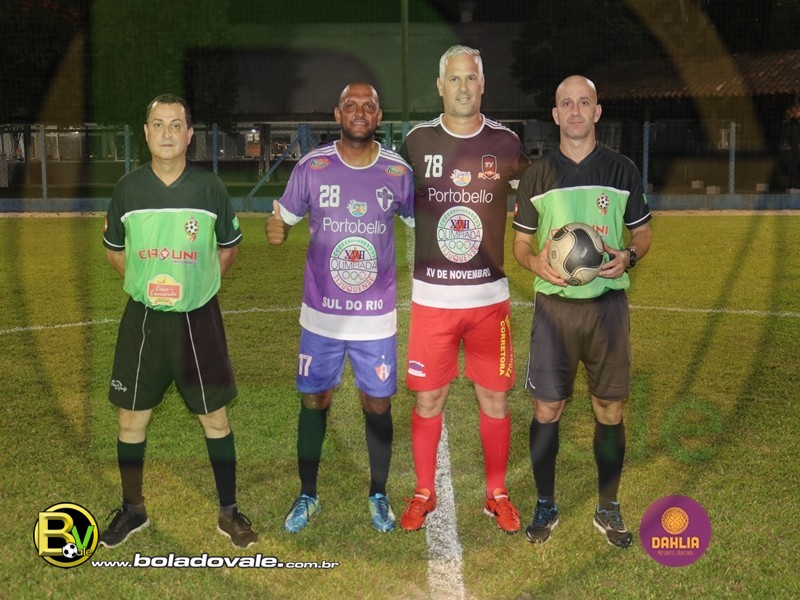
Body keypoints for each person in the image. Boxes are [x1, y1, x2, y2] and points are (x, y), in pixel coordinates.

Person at [100, 94, 257, 549]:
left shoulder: (209, 188)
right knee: (130, 420)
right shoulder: (128, 189)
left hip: (198, 321)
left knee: (215, 418)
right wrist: (144, 283)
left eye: (175, 125)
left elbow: (228, 247)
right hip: (143, 322)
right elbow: (114, 250)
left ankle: (229, 511)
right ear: (145, 133)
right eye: (157, 124)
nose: (166, 133)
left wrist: (199, 287)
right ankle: (133, 509)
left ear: (189, 135)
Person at [512, 75, 653, 548]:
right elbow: (520, 244)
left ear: (597, 111)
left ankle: (608, 506)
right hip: (554, 310)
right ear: (555, 115)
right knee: (546, 407)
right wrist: (535, 262)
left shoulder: (621, 170)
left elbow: (643, 233)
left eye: (584, 102)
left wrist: (628, 255)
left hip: (607, 308)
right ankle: (545, 503)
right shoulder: (537, 175)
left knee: (608, 407)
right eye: (567, 103)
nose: (575, 111)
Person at [267, 82, 414, 533]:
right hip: (321, 315)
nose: (359, 112)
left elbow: (419, 222)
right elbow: (283, 217)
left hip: (375, 318)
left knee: (377, 403)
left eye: (368, 106)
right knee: (315, 398)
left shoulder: (397, 171)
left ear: (379, 115)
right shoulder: (312, 167)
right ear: (337, 114)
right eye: (351, 105)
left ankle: (378, 494)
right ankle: (307, 495)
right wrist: (276, 228)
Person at [398, 45, 531, 533]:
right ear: (440, 86)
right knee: (427, 400)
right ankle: (423, 492)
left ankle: (497, 494)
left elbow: (539, 193)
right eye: (454, 78)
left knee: (494, 400)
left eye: (470, 78)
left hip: (488, 303)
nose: (462, 87)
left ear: (482, 84)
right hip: (433, 302)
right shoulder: (416, 142)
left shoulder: (506, 143)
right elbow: (385, 194)